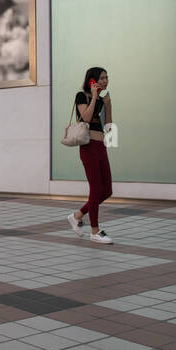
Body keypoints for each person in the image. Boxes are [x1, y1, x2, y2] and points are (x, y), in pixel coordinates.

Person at [68, 67, 114, 243]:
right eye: (102, 78)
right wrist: (94, 97)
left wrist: (108, 105)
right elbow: (86, 118)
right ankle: (95, 231)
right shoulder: (81, 96)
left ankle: (77, 215)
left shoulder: (103, 100)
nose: (105, 81)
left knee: (107, 190)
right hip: (88, 148)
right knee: (95, 189)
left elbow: (109, 127)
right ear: (92, 80)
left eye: (106, 78)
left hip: (101, 146)